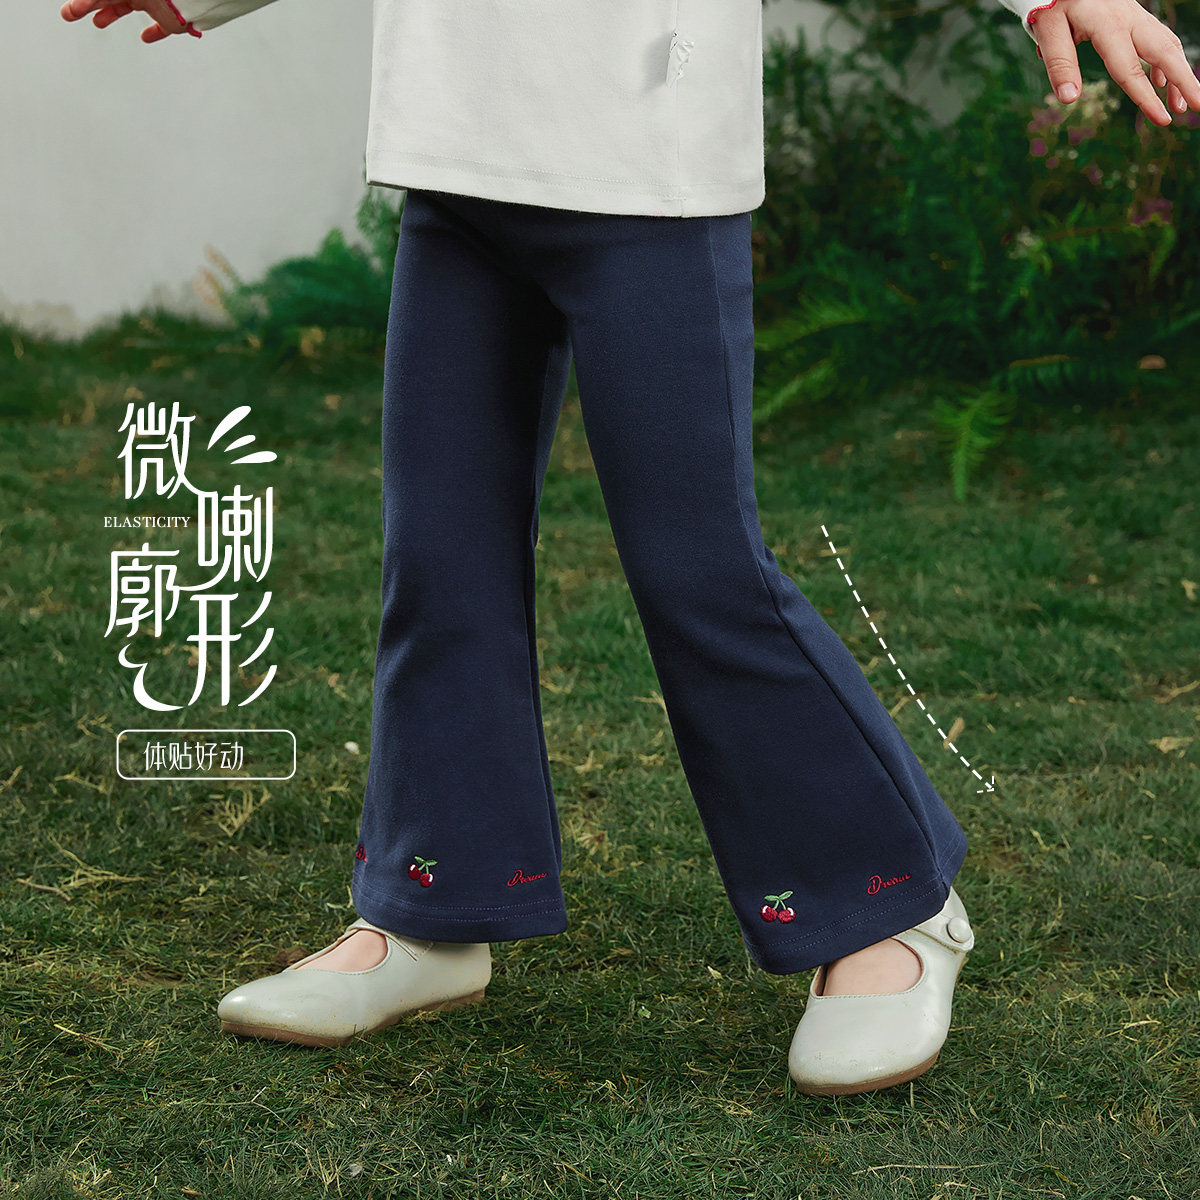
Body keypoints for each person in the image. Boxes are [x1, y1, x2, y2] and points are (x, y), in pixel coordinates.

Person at [63, 0, 1199, 1096]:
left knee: (698, 569)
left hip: (648, 157)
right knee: (441, 561)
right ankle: (430, 909)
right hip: (456, 150)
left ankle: (891, 906)